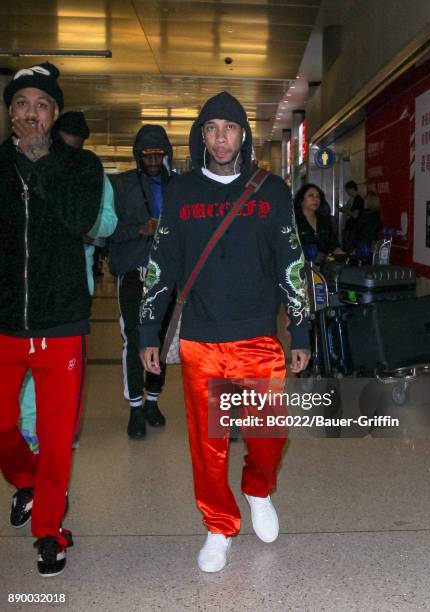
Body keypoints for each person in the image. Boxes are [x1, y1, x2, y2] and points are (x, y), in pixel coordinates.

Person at [139, 91, 310, 573]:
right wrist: (148, 329)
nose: (220, 137)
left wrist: (301, 329)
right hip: (201, 338)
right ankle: (218, 525)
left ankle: (258, 490)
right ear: (200, 136)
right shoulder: (181, 192)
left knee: (267, 437)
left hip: (258, 337)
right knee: (208, 445)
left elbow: (291, 261)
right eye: (211, 128)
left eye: (229, 128)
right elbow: (162, 265)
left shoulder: (271, 191)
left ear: (243, 135)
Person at [0, 63, 103, 576]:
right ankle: (27, 478)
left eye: (42, 105)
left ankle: (50, 529)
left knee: (58, 435)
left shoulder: (80, 167)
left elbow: (80, 220)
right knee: (2, 424)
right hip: (4, 323)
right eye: (22, 104)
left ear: (54, 113)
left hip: (61, 323)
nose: (32, 113)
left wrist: (40, 162)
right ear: (10, 113)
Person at [18, 111, 118, 454]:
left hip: (72, 284)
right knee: (25, 360)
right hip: (25, 286)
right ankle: (28, 425)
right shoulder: (20, 166)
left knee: (59, 366)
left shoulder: (92, 175)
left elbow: (107, 223)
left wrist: (77, 226)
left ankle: (45, 427)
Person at [109, 125, 174, 439]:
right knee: (134, 338)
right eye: (146, 154)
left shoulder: (176, 185)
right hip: (134, 271)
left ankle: (152, 400)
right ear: (137, 154)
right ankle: (135, 406)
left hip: (167, 275)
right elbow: (106, 231)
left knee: (160, 339)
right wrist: (140, 229)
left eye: (157, 154)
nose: (152, 159)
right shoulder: (121, 185)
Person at [294, 183, 344, 261]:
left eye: (318, 196)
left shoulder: (324, 221)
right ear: (301, 200)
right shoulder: (294, 222)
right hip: (301, 267)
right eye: (311, 196)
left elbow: (333, 243)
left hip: (325, 267)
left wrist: (338, 251)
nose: (315, 199)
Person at [342, 180, 364, 252]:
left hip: (353, 229)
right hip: (350, 229)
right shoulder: (353, 199)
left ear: (351, 189)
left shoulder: (358, 200)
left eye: (347, 190)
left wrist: (345, 210)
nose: (347, 193)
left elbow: (355, 215)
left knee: (349, 249)